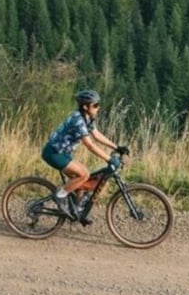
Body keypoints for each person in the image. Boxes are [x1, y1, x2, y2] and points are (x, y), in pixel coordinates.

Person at [41, 89, 126, 219]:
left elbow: (96, 135)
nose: (98, 108)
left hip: (64, 153)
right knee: (84, 174)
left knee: (83, 179)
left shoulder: (88, 118)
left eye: (98, 104)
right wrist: (109, 159)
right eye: (95, 105)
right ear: (86, 107)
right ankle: (59, 196)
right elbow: (90, 145)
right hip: (54, 153)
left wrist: (117, 147)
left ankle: (77, 209)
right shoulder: (78, 120)